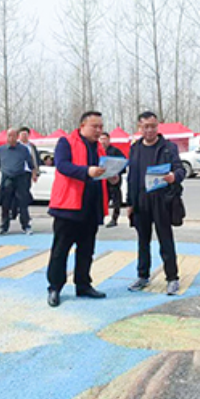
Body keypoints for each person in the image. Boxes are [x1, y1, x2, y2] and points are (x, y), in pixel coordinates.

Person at [45, 111, 119, 307]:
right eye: (95, 126)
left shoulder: (100, 148)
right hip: (69, 207)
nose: (99, 130)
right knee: (60, 251)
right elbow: (63, 166)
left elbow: (102, 171)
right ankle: (55, 287)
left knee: (87, 250)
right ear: (82, 125)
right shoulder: (66, 142)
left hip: (92, 206)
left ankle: (83, 284)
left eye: (101, 126)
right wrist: (87, 171)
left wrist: (111, 177)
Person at [126, 111, 186, 297]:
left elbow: (180, 169)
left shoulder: (168, 147)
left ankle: (172, 278)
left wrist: (173, 177)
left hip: (162, 201)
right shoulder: (135, 148)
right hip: (141, 202)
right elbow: (131, 178)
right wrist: (129, 202)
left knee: (165, 240)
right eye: (146, 127)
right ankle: (142, 276)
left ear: (158, 126)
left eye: (153, 126)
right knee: (142, 242)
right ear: (139, 128)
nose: (150, 130)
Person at [0, 129, 37, 236]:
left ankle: (26, 225)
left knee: (23, 203)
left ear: (17, 137)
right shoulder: (1, 150)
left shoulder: (23, 149)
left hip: (20, 178)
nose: (11, 138)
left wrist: (34, 174)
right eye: (9, 136)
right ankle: (3, 226)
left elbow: (31, 164)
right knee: (5, 204)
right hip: (6, 178)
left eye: (13, 136)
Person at [99, 131, 127, 227]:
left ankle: (114, 218)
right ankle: (100, 218)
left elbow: (123, 163)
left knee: (116, 200)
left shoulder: (115, 151)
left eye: (105, 139)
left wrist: (117, 173)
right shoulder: (97, 151)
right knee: (102, 199)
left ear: (109, 140)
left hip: (114, 179)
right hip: (102, 179)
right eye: (101, 139)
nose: (103, 142)